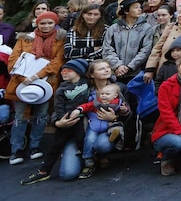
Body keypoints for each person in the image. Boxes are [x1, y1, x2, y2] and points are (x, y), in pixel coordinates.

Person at [5, 11, 66, 165]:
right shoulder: (24, 38)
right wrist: (23, 78)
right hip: (22, 83)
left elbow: (57, 62)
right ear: (37, 24)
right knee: (20, 116)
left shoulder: (60, 40)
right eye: (42, 23)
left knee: (41, 115)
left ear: (55, 23)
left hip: (45, 83)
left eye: (50, 23)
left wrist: (36, 76)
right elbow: (13, 60)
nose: (46, 26)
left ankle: (35, 147)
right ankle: (16, 149)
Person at [19, 59, 91, 185]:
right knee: (55, 146)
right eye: (62, 70)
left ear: (79, 72)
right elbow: (58, 108)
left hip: (83, 118)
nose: (64, 72)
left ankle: (89, 162)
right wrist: (62, 121)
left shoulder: (88, 84)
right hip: (66, 120)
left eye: (68, 70)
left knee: (82, 141)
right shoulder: (61, 89)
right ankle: (44, 170)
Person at [71, 83, 125, 178]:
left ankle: (114, 135)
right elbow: (87, 105)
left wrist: (123, 110)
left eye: (107, 94)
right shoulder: (96, 102)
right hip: (94, 126)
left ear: (115, 95)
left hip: (109, 125)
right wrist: (78, 110)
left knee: (116, 127)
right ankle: (88, 158)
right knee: (89, 139)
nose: (103, 96)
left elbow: (126, 113)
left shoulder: (119, 103)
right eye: (102, 94)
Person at [102, 0, 154, 83]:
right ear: (126, 11)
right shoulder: (114, 28)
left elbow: (146, 49)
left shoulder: (146, 28)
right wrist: (118, 65)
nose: (139, 9)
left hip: (136, 73)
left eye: (139, 7)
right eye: (135, 7)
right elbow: (107, 49)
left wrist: (130, 66)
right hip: (116, 72)